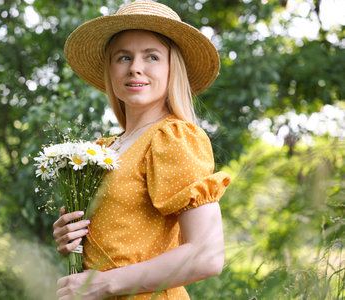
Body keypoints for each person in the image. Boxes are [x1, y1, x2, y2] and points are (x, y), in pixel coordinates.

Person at [53, 1, 231, 299]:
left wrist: (105, 283)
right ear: (110, 69)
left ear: (172, 68)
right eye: (123, 57)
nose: (135, 67)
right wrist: (70, 239)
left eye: (151, 56)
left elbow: (207, 255)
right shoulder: (103, 149)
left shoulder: (173, 138)